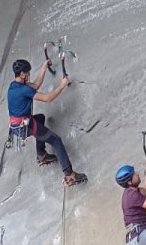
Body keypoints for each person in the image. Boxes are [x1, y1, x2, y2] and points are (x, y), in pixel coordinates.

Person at [8, 58, 87, 188]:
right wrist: (62, 85)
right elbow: (48, 98)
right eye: (27, 72)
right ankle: (70, 175)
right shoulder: (23, 89)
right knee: (56, 141)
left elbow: (35, 86)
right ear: (21, 73)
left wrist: (44, 68)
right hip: (25, 127)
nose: (28, 74)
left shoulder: (14, 85)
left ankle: (42, 155)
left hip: (18, 126)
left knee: (40, 118)